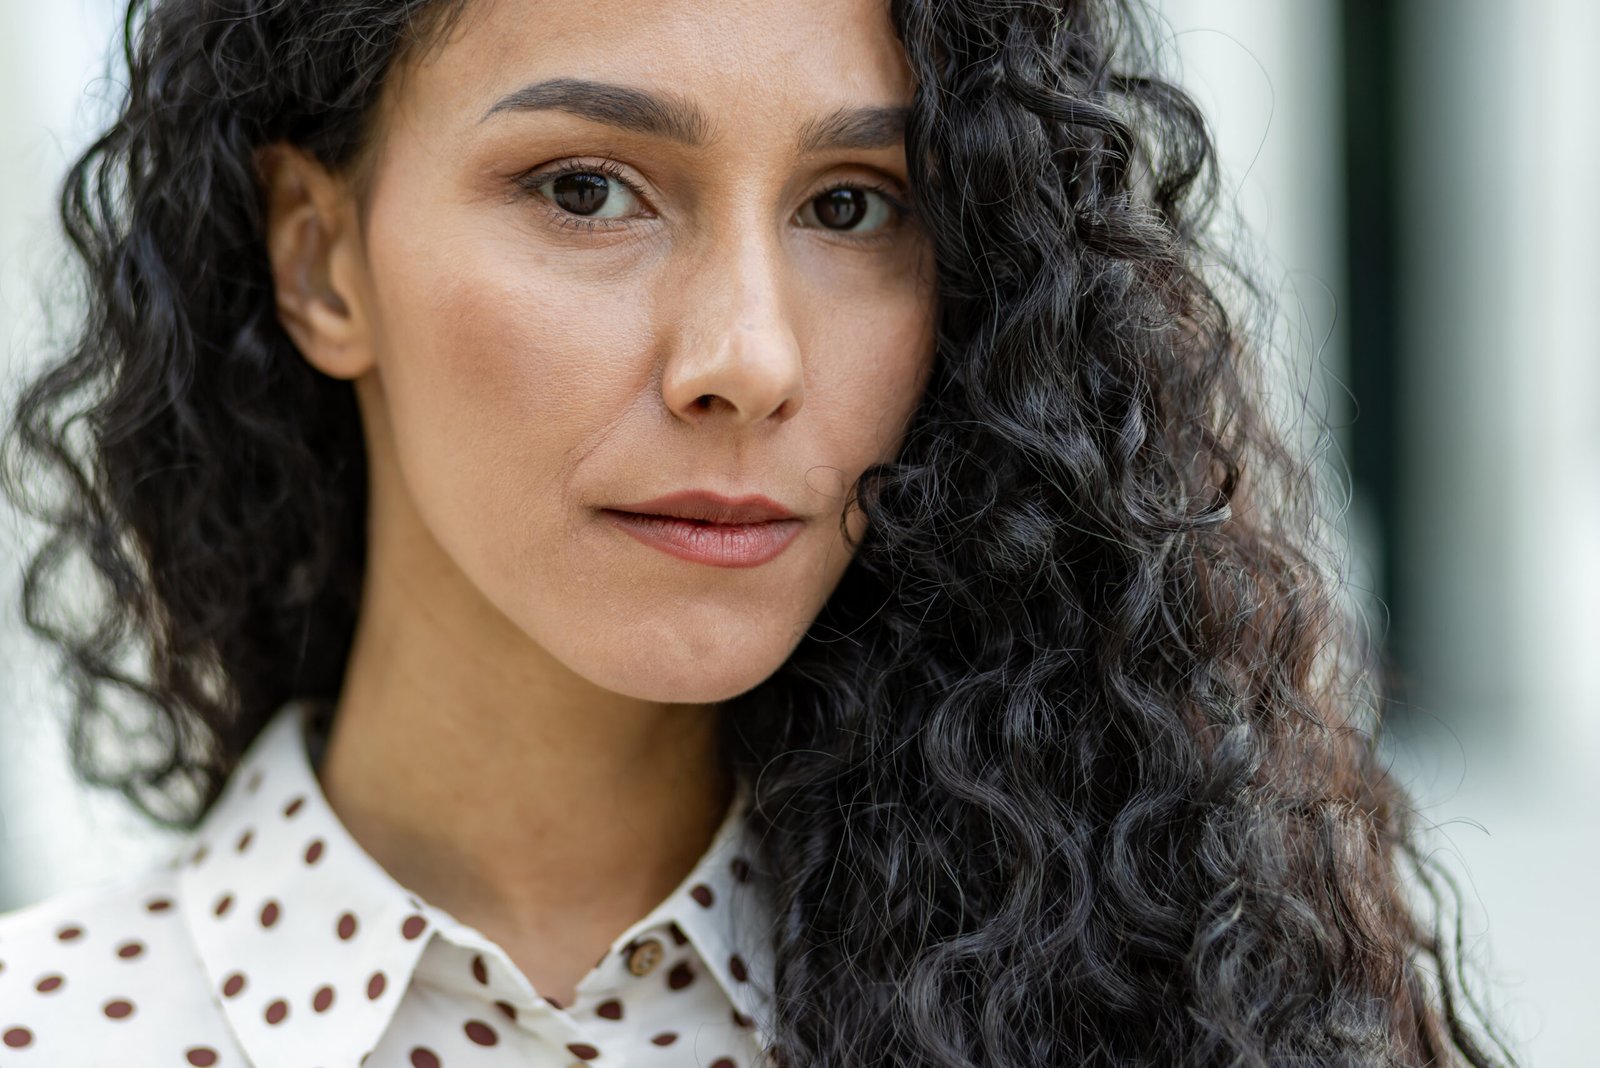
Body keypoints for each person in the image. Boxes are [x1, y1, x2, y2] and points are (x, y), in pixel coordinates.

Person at [0, 0, 1515, 1065]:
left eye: (854, 207)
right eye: (588, 190)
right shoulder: (50, 1033)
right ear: (319, 258)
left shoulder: (1180, 1005)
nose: (750, 357)